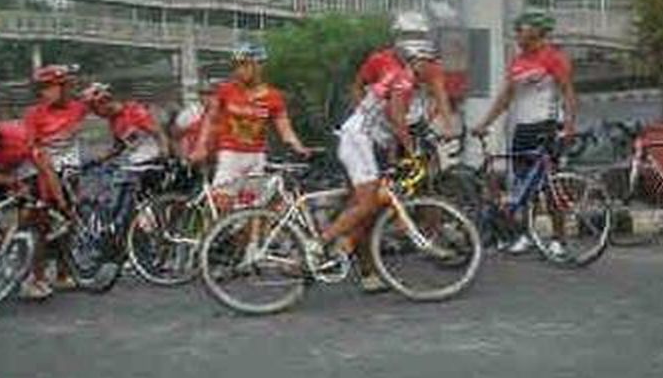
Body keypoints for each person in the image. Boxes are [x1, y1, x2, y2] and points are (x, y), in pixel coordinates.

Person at [313, 40, 442, 293]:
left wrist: (395, 155)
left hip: (368, 142)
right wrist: (413, 151)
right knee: (366, 204)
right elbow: (396, 118)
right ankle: (321, 243)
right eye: (431, 63)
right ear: (419, 61)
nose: (435, 69)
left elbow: (389, 123)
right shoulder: (404, 79)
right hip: (359, 140)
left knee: (373, 205)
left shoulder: (404, 78)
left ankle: (346, 246)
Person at [472, 10, 578, 256]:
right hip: (522, 128)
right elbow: (506, 96)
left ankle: (559, 239)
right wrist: (485, 123)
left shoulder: (553, 58)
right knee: (523, 186)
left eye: (521, 30)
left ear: (536, 31)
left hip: (547, 125)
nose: (517, 35)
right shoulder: (517, 61)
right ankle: (526, 234)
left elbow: (568, 93)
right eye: (517, 30)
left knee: (551, 185)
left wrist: (570, 125)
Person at [191, 43, 310, 207]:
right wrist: (201, 146)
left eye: (244, 65)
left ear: (259, 66)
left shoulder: (273, 97)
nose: (239, 71)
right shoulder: (226, 90)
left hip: (256, 156)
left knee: (253, 207)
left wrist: (298, 146)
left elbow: (284, 127)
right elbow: (210, 120)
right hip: (230, 154)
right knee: (223, 202)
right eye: (237, 66)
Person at [0, 123, 57, 299]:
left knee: (33, 221)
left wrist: (48, 198)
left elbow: (44, 170)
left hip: (29, 170)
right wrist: (10, 182)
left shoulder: (18, 138)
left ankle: (38, 278)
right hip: (3, 171)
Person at [23, 64, 89, 293]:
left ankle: (63, 272)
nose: (46, 93)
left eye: (51, 87)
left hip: (70, 174)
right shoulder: (34, 114)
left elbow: (100, 102)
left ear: (65, 87)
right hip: (43, 173)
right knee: (42, 227)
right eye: (43, 88)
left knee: (68, 225)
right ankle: (36, 277)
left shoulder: (78, 108)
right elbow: (32, 149)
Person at [80, 82, 169, 233]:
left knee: (121, 184)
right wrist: (98, 160)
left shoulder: (134, 110)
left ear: (104, 103)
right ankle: (118, 224)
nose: (97, 115)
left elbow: (158, 132)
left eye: (95, 110)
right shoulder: (113, 120)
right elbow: (119, 146)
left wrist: (165, 154)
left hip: (151, 160)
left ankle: (119, 224)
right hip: (135, 162)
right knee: (108, 179)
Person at [352, 11, 458, 136]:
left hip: (418, 125)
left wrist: (448, 126)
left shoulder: (431, 65)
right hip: (381, 126)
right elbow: (358, 87)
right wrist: (365, 112)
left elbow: (440, 96)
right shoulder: (379, 60)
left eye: (418, 35)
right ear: (397, 36)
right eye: (408, 35)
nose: (413, 40)